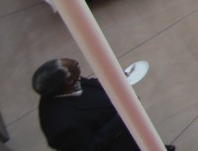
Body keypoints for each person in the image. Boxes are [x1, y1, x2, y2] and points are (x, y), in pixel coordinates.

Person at [33, 57, 175, 151]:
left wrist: (114, 81)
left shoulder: (70, 83)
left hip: (130, 134)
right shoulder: (60, 126)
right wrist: (125, 114)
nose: (77, 63)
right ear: (68, 81)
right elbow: (92, 147)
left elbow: (91, 85)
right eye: (75, 66)